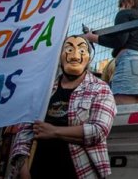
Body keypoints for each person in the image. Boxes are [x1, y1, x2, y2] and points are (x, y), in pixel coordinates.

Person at [9, 35, 117, 178]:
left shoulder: (100, 89)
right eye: (68, 49)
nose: (74, 56)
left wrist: (54, 131)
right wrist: (24, 172)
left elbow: (99, 131)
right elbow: (23, 134)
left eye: (82, 50)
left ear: (89, 58)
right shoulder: (44, 89)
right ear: (59, 56)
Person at [84, 0, 138, 104]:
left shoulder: (124, 13)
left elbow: (119, 40)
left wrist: (92, 38)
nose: (120, 9)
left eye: (120, 5)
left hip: (131, 65)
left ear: (127, 3)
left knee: (120, 112)